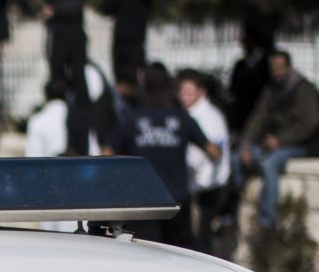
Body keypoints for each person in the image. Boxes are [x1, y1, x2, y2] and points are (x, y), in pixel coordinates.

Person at [111, 64, 218, 248]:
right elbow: (212, 151)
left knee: (145, 257)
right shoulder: (182, 118)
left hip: (141, 202)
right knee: (177, 258)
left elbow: (107, 153)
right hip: (176, 201)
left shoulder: (131, 119)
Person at [239, 48, 319, 231]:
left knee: (270, 163)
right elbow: (258, 117)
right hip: (274, 143)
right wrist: (246, 144)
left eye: (280, 67)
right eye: (272, 67)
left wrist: (281, 140)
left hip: (301, 145)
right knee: (238, 159)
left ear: (289, 67)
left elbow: (309, 124)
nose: (276, 71)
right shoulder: (271, 89)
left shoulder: (303, 89)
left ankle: (267, 219)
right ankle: (234, 207)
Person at [177, 69, 234, 249]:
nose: (184, 97)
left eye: (189, 93)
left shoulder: (209, 117)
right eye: (182, 93)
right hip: (198, 184)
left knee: (202, 238)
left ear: (201, 92)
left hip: (209, 185)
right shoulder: (191, 114)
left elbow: (210, 154)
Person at [103, 0, 154, 86]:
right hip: (119, 41)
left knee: (136, 76)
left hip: (135, 42)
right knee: (120, 76)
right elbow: (107, 9)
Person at [25, 78, 72, 159]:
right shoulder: (78, 117)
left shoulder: (37, 120)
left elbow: (33, 156)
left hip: (49, 169)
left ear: (45, 95)